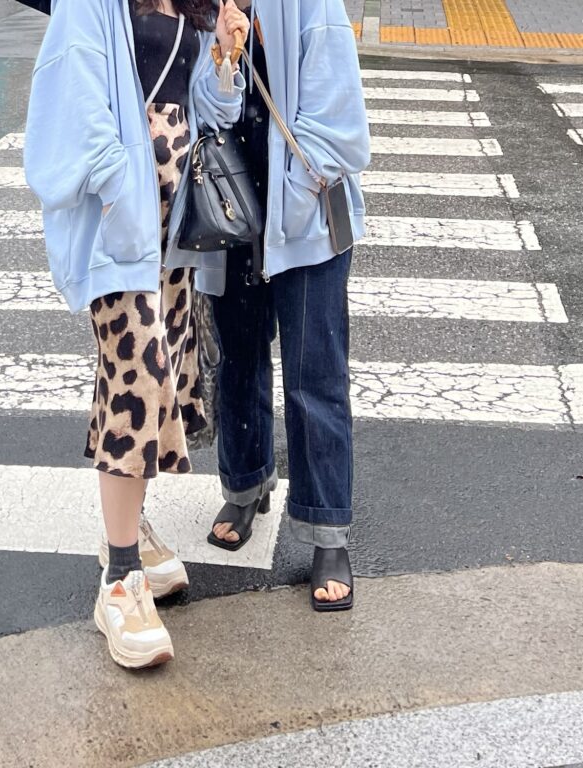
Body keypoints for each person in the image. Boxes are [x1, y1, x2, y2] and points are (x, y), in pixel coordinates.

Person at [25, 0, 248, 668]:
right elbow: (78, 98)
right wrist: (119, 186)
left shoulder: (191, 6)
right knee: (137, 379)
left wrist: (225, 56)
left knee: (164, 374)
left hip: (174, 230)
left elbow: (213, 111)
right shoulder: (92, 6)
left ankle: (130, 530)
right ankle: (120, 582)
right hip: (119, 228)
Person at [201, 1, 371, 612]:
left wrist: (290, 200)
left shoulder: (311, 6)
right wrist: (224, 61)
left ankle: (327, 530)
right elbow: (207, 112)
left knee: (314, 373)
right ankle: (246, 484)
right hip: (230, 214)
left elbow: (341, 126)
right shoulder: (207, 10)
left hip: (308, 224)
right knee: (238, 359)